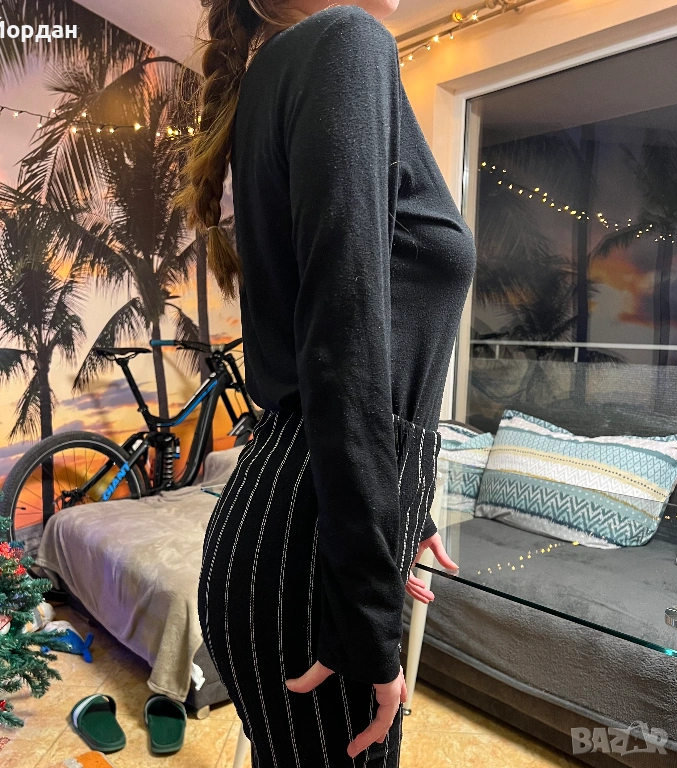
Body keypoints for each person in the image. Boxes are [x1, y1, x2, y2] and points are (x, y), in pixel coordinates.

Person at [181, 0, 477, 763]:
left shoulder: (289, 67)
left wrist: (397, 502)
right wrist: (364, 616)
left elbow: (349, 345)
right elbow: (341, 346)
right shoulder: (347, 40)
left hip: (292, 522)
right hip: (306, 552)